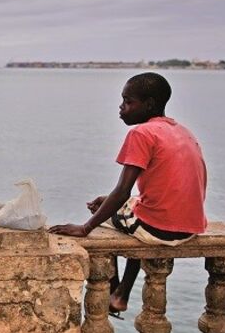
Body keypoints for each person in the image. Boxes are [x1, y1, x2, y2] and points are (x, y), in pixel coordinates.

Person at [48, 72, 207, 315]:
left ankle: (118, 293)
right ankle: (123, 292)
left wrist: (86, 227)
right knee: (127, 211)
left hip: (163, 230)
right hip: (191, 227)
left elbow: (122, 191)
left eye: (128, 101)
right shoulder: (183, 131)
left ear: (150, 104)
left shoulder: (141, 133)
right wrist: (114, 202)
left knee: (105, 221)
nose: (121, 108)